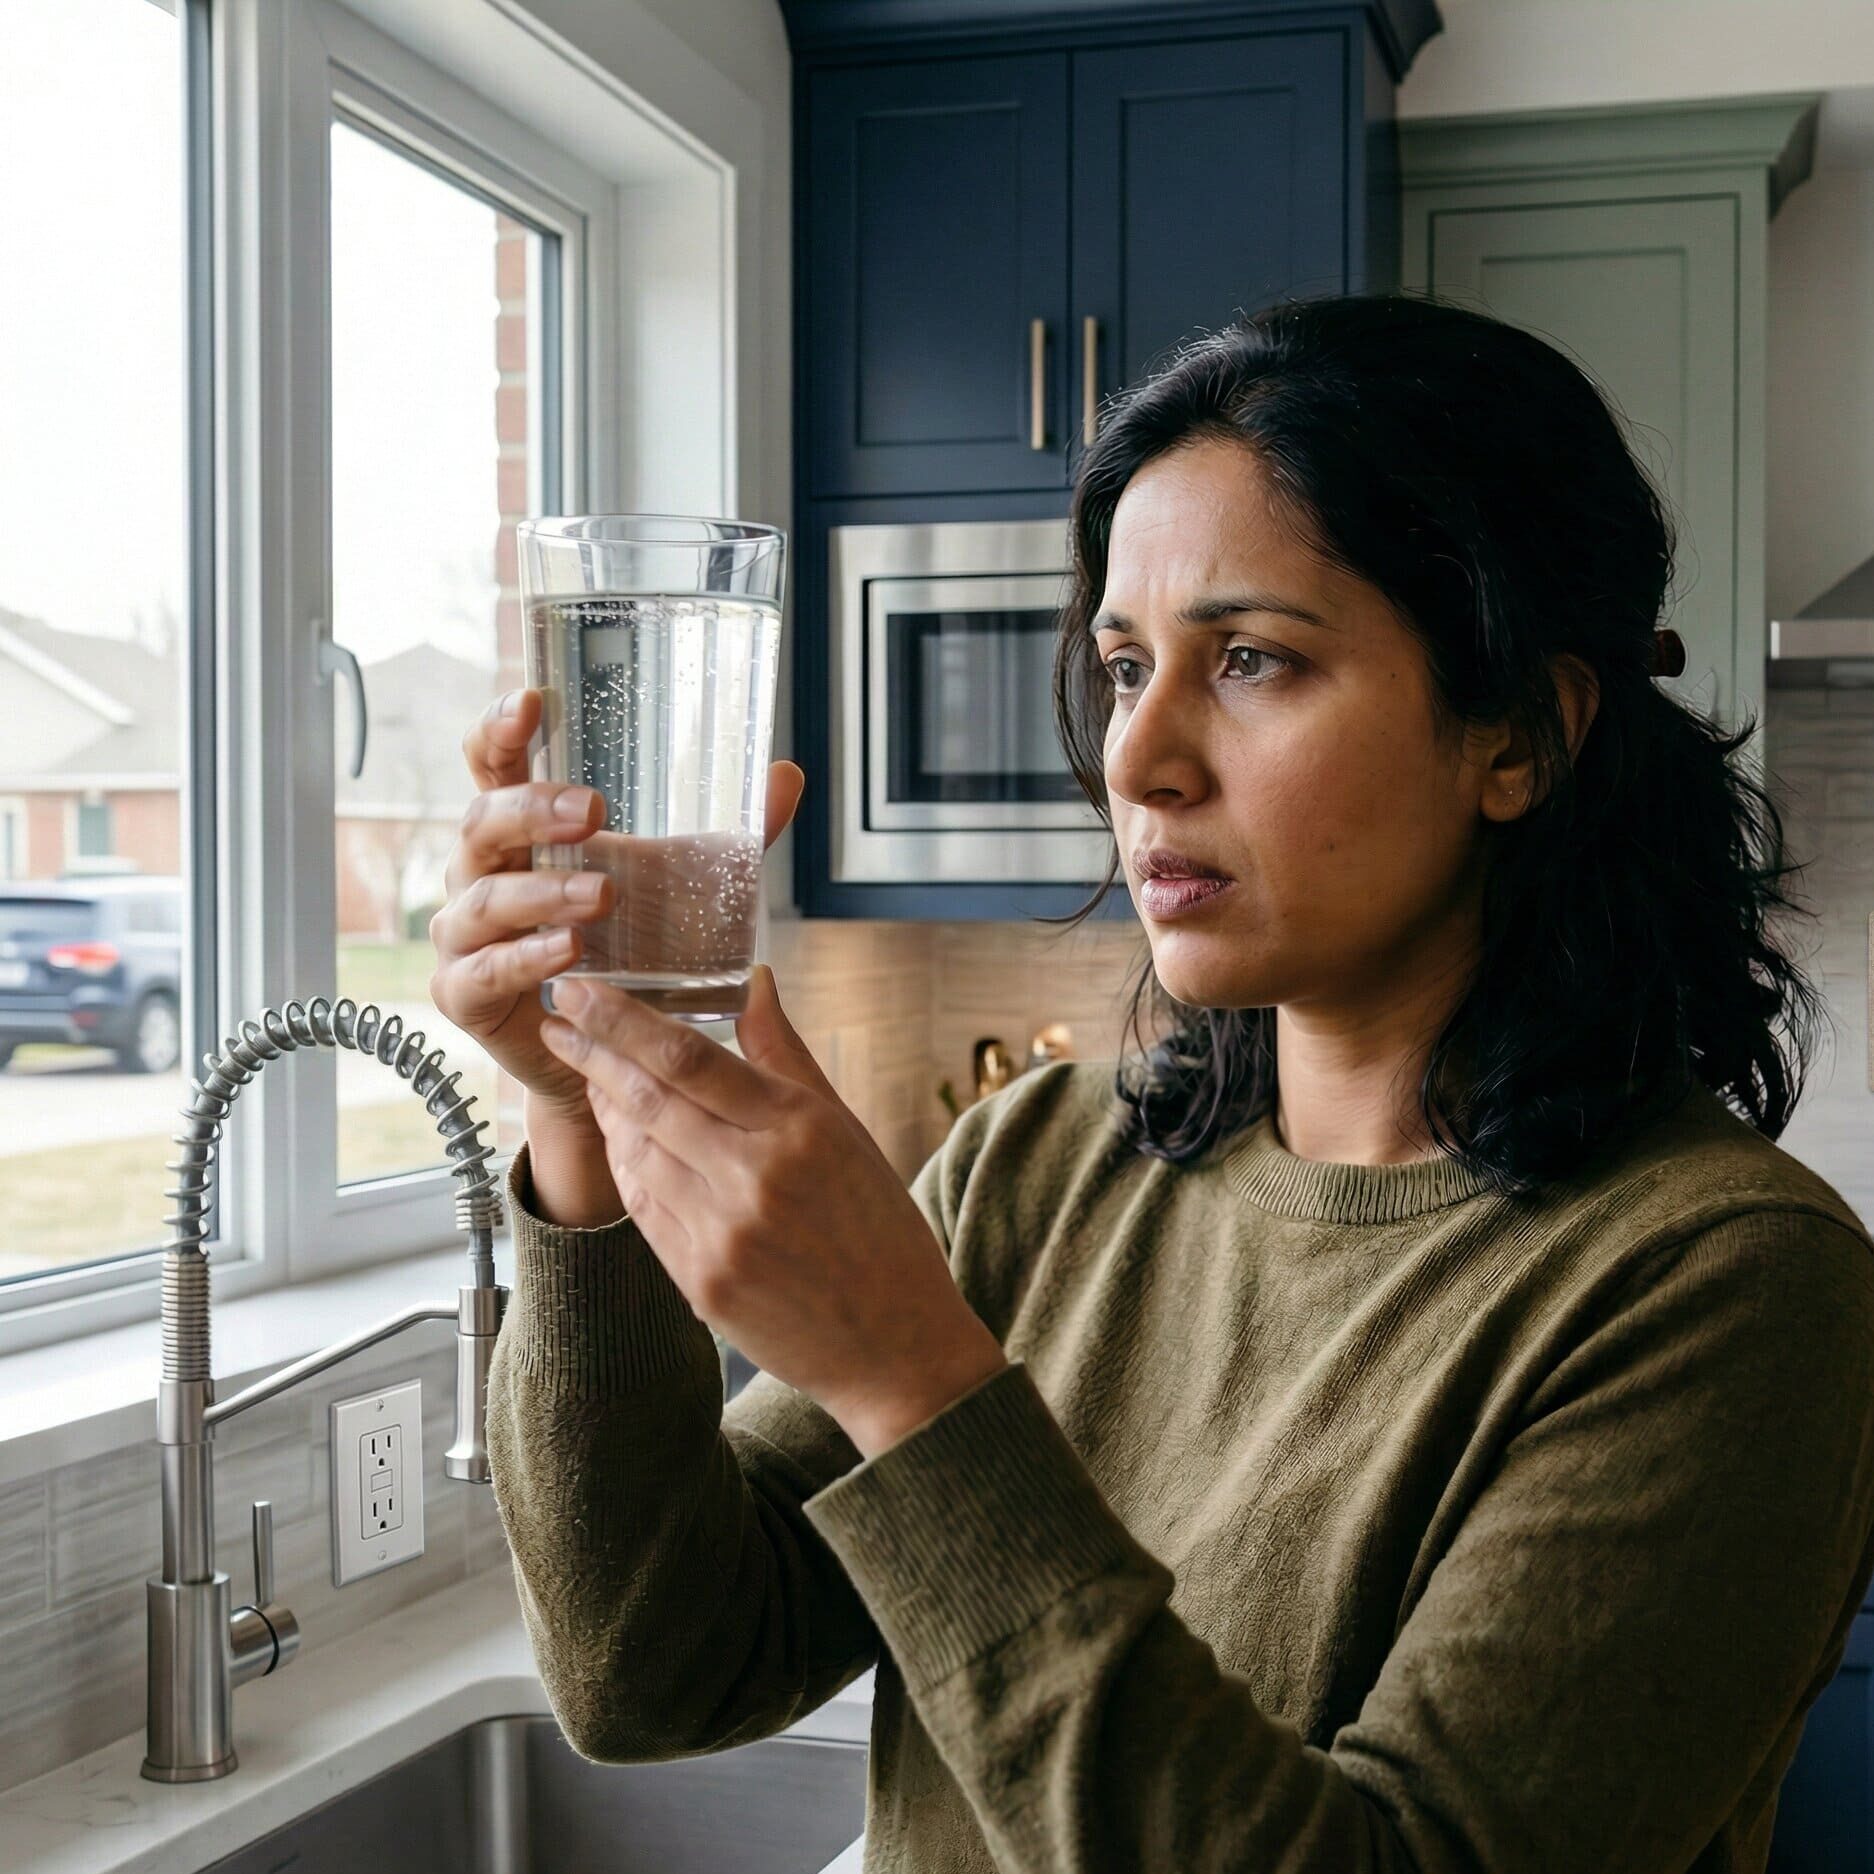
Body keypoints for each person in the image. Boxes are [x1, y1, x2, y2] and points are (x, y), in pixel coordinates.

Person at [428, 290, 1874, 1874]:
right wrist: (574, 1107)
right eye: (1124, 666)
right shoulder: (1038, 1166)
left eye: (1250, 658)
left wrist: (911, 1376)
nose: (1135, 757)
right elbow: (651, 1665)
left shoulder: (1724, 1283)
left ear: (1517, 732)